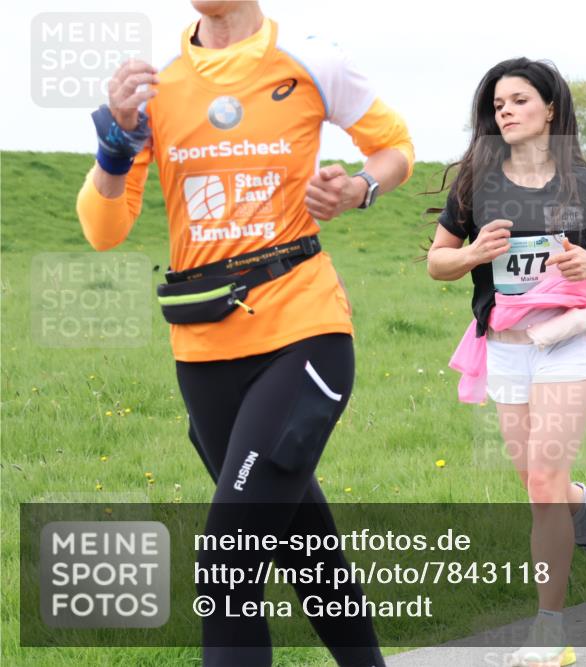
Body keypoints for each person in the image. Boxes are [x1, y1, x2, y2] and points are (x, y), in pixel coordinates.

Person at [75, 2, 413, 665]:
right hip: (202, 351)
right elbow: (103, 228)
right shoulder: (155, 89)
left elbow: (395, 146)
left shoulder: (314, 60)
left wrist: (361, 187)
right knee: (301, 542)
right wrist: (116, 137)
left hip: (303, 331)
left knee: (226, 564)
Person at [426, 57, 586, 667]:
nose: (506, 111)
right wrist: (473, 252)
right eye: (498, 104)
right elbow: (436, 262)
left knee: (545, 482)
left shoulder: (584, 182)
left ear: (550, 108)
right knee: (539, 485)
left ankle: (548, 631)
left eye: (519, 100)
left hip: (571, 343)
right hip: (505, 349)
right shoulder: (475, 183)